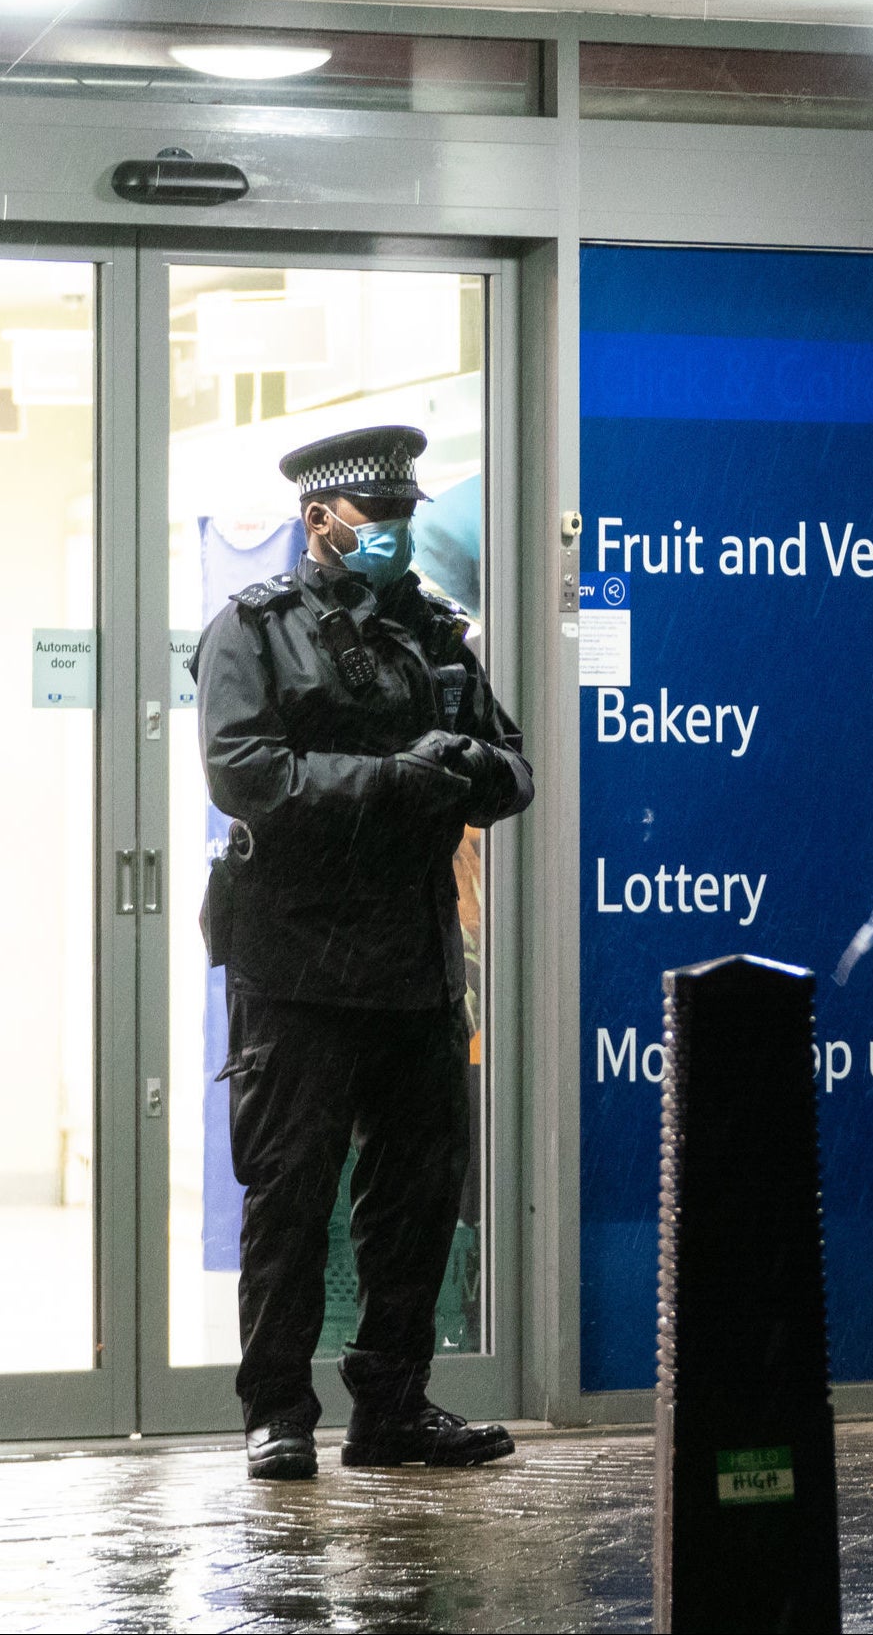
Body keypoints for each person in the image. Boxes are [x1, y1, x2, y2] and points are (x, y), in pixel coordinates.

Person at [192, 423, 536, 1481]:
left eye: (402, 515)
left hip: (417, 964)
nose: (392, 531)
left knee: (417, 1198)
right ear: (319, 521)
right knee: (293, 1195)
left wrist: (459, 765)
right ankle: (277, 1411)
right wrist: (397, 780)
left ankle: (389, 1407)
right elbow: (246, 774)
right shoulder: (253, 630)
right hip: (296, 967)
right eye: (374, 516)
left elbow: (512, 769)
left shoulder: (435, 632)